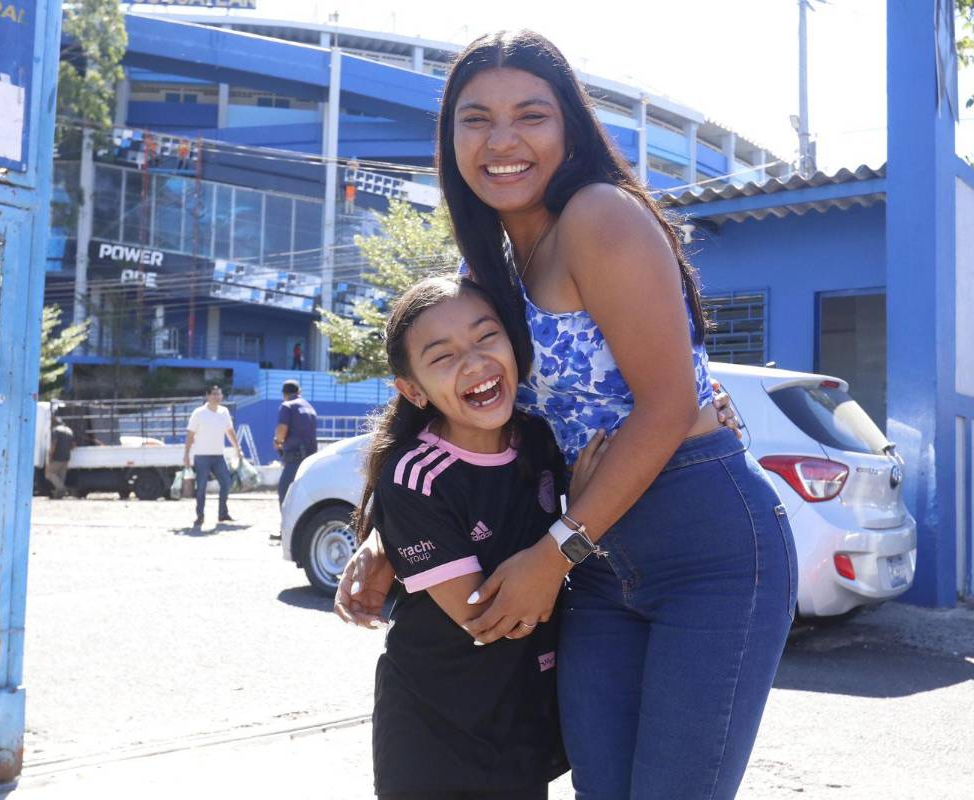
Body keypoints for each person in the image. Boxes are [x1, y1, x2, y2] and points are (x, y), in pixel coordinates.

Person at [337, 30, 795, 800]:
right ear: (451, 138)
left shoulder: (599, 216)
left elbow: (670, 405)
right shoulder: (486, 269)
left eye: (531, 116)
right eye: (476, 119)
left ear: (570, 128)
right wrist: (391, 532)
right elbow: (466, 419)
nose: (503, 141)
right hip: (597, 560)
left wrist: (554, 554)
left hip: (703, 548)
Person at [360, 275, 597, 800]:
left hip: (519, 725)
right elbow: (491, 621)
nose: (473, 363)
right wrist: (579, 525)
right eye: (442, 356)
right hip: (434, 739)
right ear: (413, 389)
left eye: (486, 336)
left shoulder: (536, 437)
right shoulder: (415, 476)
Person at [183, 385, 242, 527]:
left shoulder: (224, 412)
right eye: (214, 394)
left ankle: (222, 514)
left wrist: (237, 448)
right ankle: (200, 516)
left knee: (226, 483)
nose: (217, 397)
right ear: (207, 396)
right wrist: (186, 454)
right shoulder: (199, 413)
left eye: (219, 394)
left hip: (218, 455)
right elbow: (190, 434)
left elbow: (230, 431)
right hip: (202, 456)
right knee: (201, 486)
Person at [274, 379, 318, 505]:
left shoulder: (287, 405)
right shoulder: (309, 407)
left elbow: (282, 429)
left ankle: (287, 522)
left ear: (284, 394)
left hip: (295, 458)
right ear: (299, 392)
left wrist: (277, 441)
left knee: (285, 491)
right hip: (311, 458)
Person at [45, 416, 75, 499]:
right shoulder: (69, 431)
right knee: (61, 477)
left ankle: (62, 489)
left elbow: (54, 444)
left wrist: (50, 456)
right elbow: (73, 446)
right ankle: (59, 495)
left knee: (49, 474)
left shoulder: (56, 431)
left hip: (57, 457)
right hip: (66, 457)